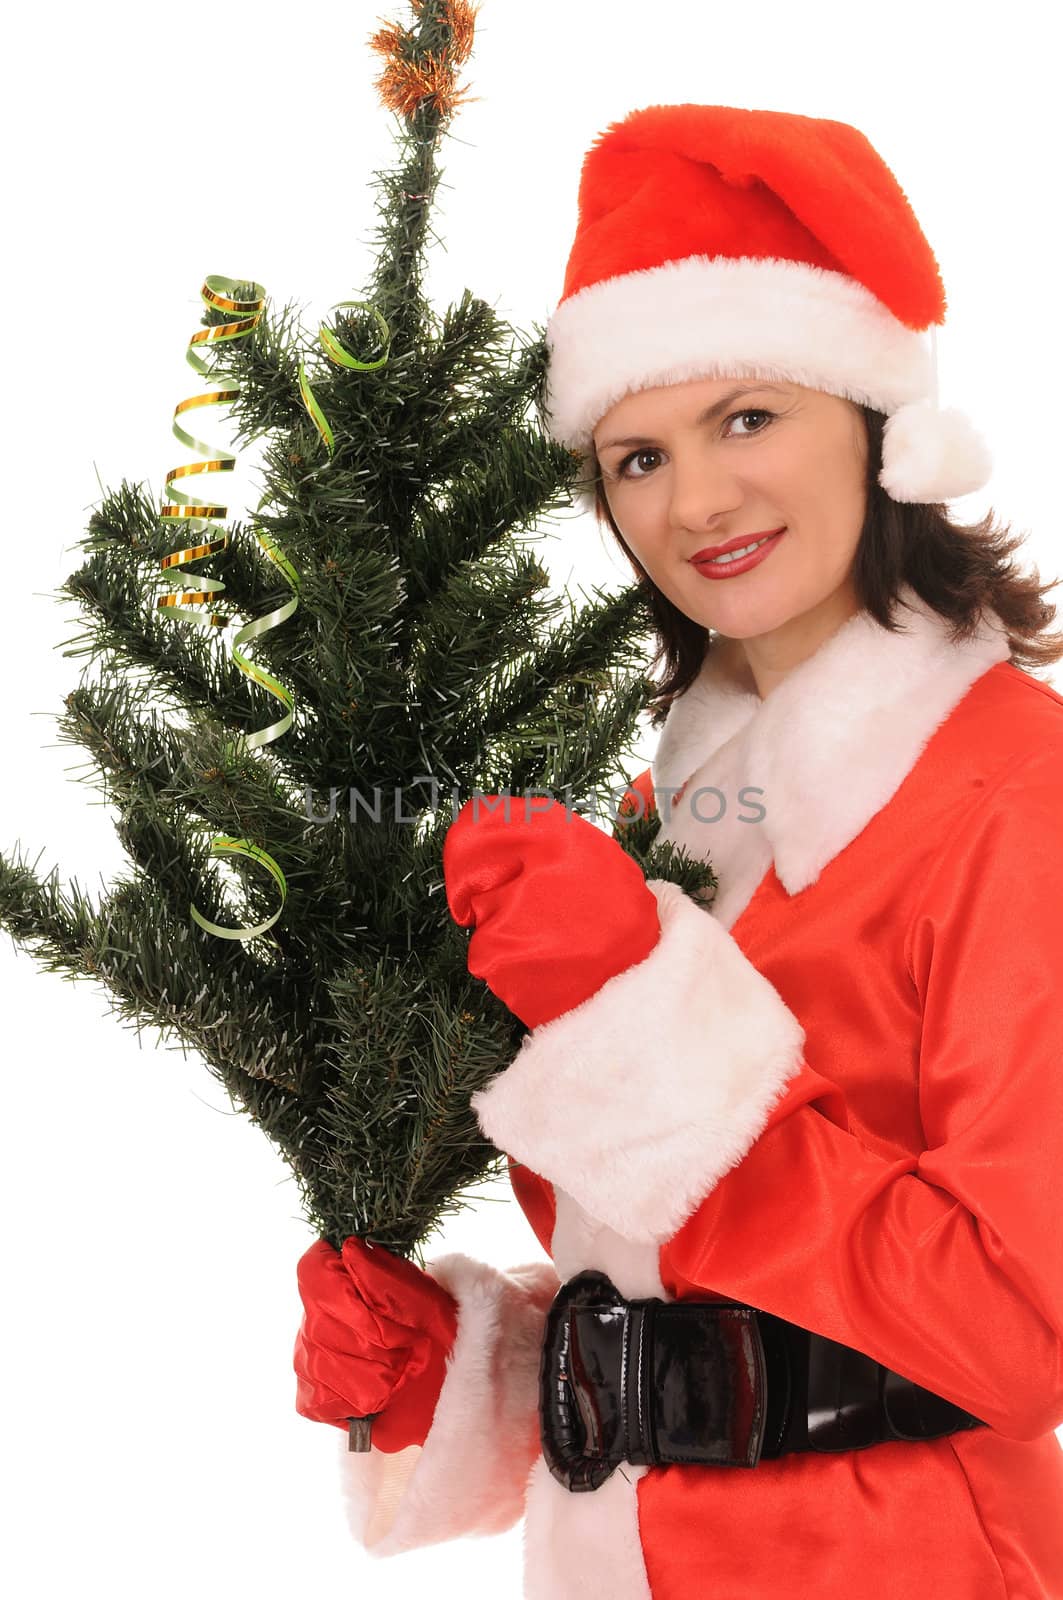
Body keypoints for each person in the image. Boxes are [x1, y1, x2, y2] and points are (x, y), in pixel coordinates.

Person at [292, 103, 1063, 1598]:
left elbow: (1020, 1332)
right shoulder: (679, 824)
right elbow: (686, 1270)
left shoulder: (1016, 797)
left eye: (749, 418)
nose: (696, 501)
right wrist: (466, 1363)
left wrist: (640, 1022)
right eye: (637, 455)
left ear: (879, 423)